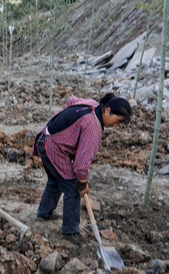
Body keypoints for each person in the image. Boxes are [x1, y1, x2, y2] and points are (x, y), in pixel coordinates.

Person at [33, 93, 132, 244]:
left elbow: (71, 100)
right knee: (72, 188)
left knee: (56, 180)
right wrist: (82, 183)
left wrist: (68, 130)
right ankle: (70, 231)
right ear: (107, 111)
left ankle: (44, 212)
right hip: (53, 147)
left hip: (44, 140)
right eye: (117, 121)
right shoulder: (93, 126)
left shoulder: (92, 105)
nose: (115, 126)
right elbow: (81, 163)